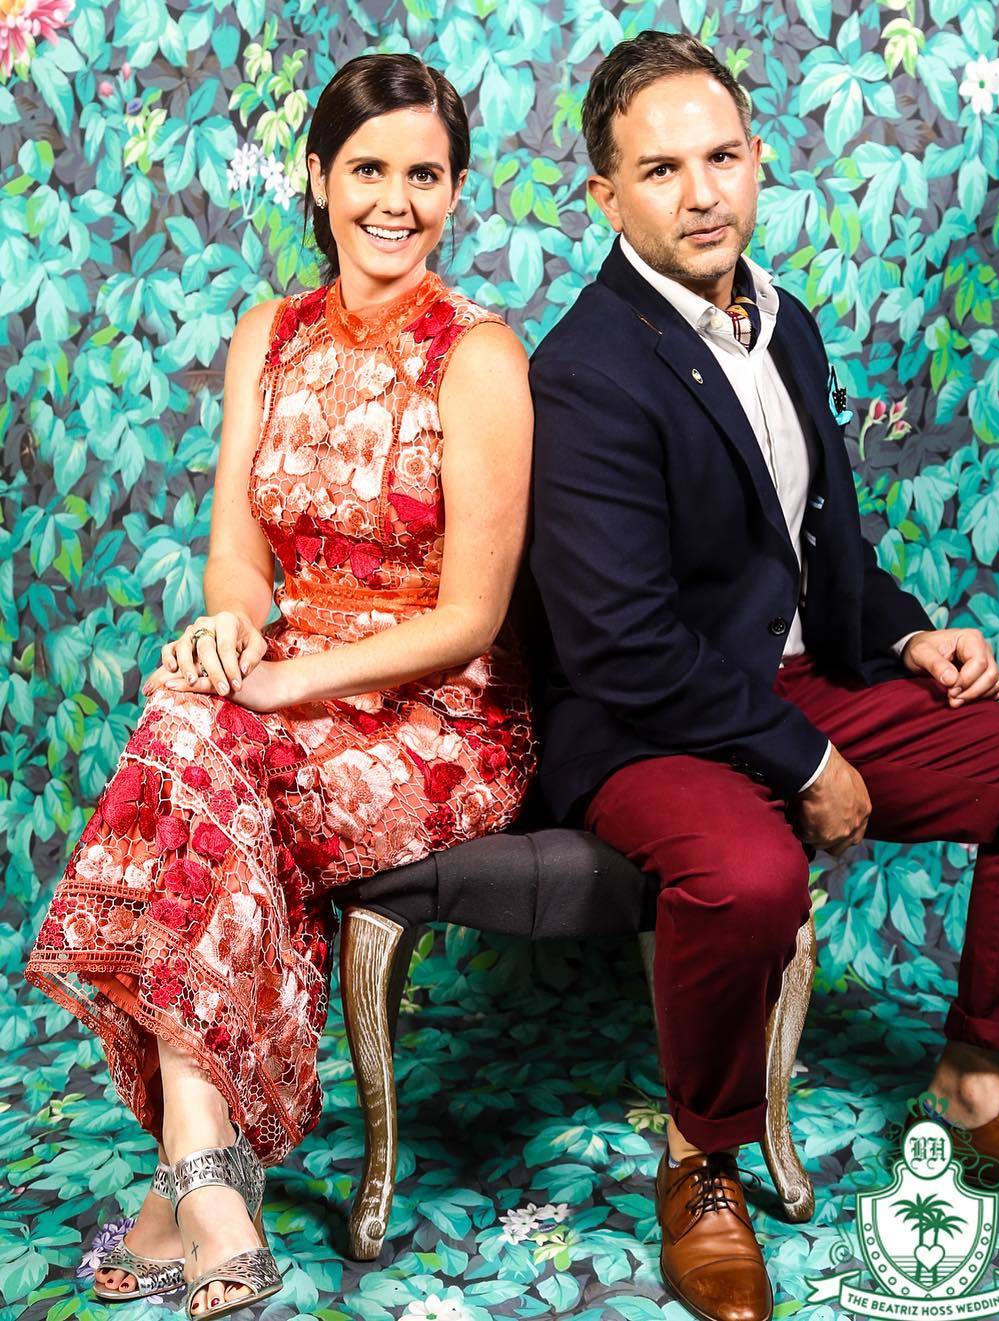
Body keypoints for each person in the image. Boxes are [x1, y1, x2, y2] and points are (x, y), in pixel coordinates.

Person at [527, 30, 999, 1321]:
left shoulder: (786, 324)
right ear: (605, 197)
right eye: (661, 170)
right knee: (752, 871)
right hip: (642, 723)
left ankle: (975, 1085)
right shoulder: (584, 373)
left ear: (760, 162)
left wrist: (906, 636)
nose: (702, 193)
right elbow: (622, 644)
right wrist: (806, 757)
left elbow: (815, 547)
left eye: (722, 157)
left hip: (787, 686)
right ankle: (701, 1157)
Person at [25, 52, 536, 1319]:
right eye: (369, 170)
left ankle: (189, 1187)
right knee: (188, 717)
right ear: (318, 178)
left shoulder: (478, 354)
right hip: (287, 688)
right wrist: (225, 639)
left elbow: (470, 619)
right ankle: (207, 1179)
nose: (396, 201)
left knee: (195, 745)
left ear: (456, 191)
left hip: (438, 721)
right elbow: (238, 559)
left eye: (426, 175)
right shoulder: (270, 333)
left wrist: (279, 682)